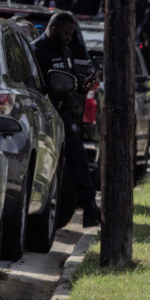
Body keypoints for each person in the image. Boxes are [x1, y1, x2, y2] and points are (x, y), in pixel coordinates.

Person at [32, 12, 101, 228]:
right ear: (53, 28)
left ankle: (90, 211)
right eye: (67, 33)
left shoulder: (66, 52)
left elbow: (71, 80)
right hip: (43, 117)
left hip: (63, 115)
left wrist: (84, 84)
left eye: (72, 33)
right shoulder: (36, 51)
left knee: (78, 159)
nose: (70, 37)